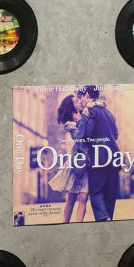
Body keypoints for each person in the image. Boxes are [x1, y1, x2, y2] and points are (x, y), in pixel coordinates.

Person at [77, 85, 120, 222]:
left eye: (81, 97)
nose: (80, 100)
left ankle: (103, 218)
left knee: (95, 191)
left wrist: (82, 121)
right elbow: (116, 135)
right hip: (114, 156)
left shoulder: (90, 112)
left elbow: (86, 135)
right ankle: (108, 219)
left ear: (87, 95)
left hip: (98, 157)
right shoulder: (109, 113)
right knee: (110, 193)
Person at [47, 94, 89, 224]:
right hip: (76, 162)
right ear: (72, 105)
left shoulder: (85, 114)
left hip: (87, 161)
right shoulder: (69, 124)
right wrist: (83, 119)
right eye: (76, 101)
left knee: (84, 197)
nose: (79, 101)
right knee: (71, 198)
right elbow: (78, 137)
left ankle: (78, 224)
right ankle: (65, 223)